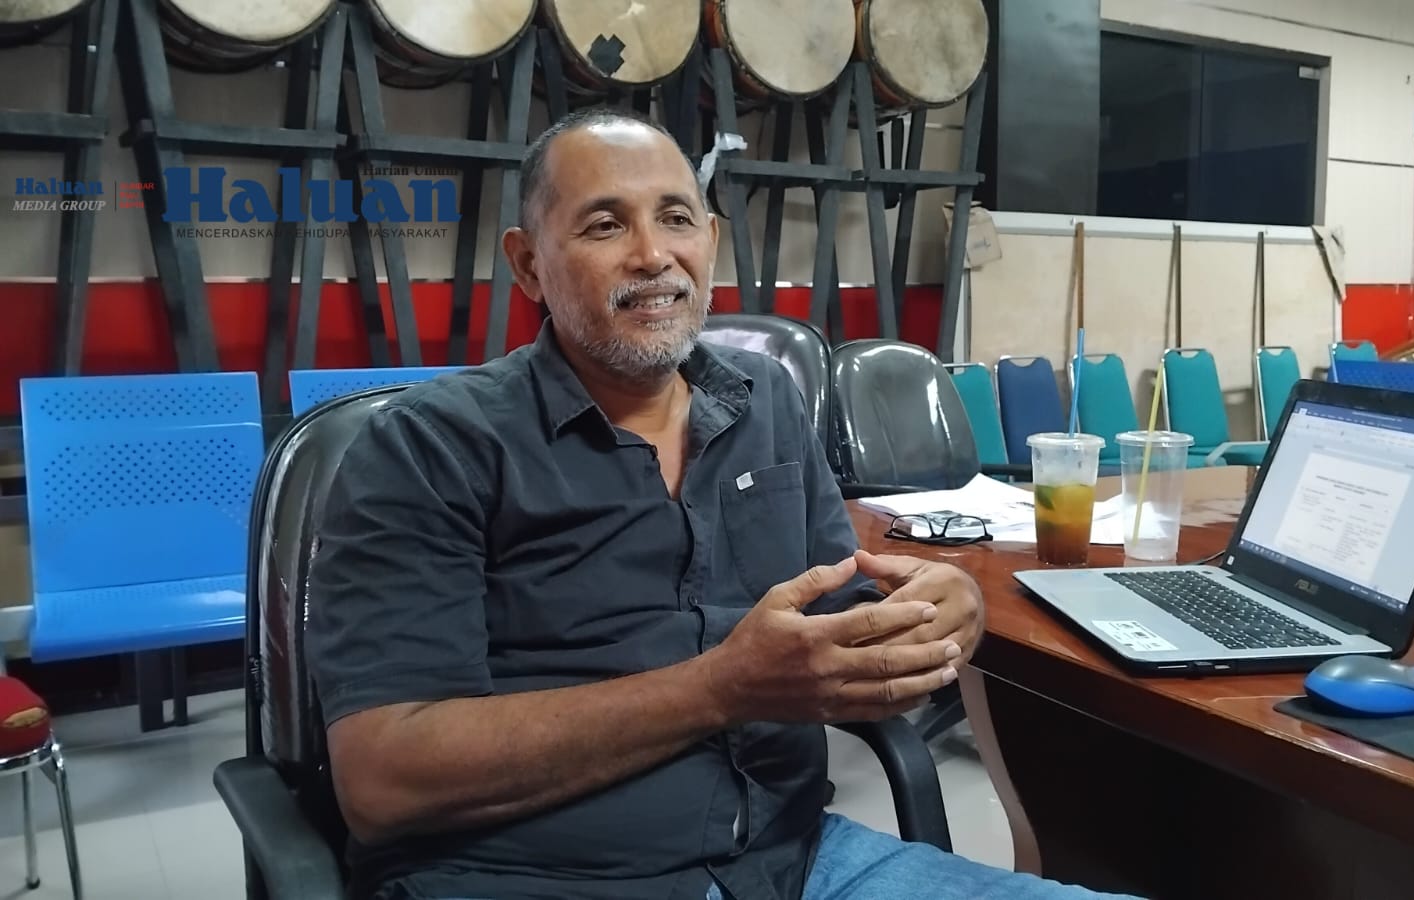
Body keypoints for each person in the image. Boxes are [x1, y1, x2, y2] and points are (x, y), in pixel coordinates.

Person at [305, 106, 1138, 900]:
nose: (652, 255)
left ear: (710, 239)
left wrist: (938, 615)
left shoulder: (765, 402)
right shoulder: (429, 447)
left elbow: (842, 625)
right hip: (536, 876)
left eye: (675, 218)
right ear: (528, 265)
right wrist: (718, 689)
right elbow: (384, 780)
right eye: (604, 225)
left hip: (792, 861)